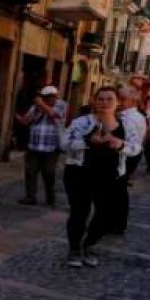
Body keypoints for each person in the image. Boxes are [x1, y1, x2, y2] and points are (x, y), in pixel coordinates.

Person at [61, 86, 128, 268]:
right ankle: (74, 249)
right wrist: (86, 142)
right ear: (94, 101)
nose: (104, 102)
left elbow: (136, 148)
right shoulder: (81, 122)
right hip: (79, 174)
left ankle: (88, 244)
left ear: (117, 102)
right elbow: (64, 143)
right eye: (101, 99)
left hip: (109, 177)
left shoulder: (125, 124)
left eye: (109, 99)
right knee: (79, 213)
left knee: (105, 215)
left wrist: (121, 145)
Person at [15, 85, 67, 207]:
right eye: (46, 97)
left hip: (51, 147)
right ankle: (30, 197)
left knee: (48, 172)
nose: (49, 99)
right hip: (34, 145)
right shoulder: (36, 107)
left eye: (51, 97)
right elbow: (26, 121)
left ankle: (50, 197)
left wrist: (41, 105)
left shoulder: (61, 105)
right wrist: (31, 113)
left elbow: (54, 114)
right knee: (30, 171)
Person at [115, 85, 148, 233]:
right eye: (119, 98)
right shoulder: (135, 116)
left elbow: (129, 141)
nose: (119, 101)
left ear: (133, 100)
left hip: (127, 155)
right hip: (130, 154)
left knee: (118, 190)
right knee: (120, 190)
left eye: (123, 99)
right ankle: (118, 223)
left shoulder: (130, 117)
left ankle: (117, 224)